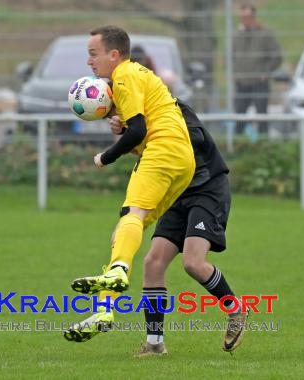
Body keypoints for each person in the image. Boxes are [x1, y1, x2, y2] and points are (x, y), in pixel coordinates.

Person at [63, 25, 196, 343]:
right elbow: (138, 129)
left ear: (114, 54)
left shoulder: (124, 75)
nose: (89, 62)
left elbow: (138, 131)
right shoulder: (136, 76)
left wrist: (105, 157)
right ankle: (104, 309)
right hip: (182, 160)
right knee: (125, 230)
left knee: (131, 218)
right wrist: (122, 126)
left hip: (163, 151)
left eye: (93, 54)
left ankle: (119, 270)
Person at [101, 101, 249, 357]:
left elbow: (195, 138)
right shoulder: (136, 116)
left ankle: (235, 308)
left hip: (207, 187)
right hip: (176, 191)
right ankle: (155, 343)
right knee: (153, 262)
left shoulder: (171, 107)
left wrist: (137, 132)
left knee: (193, 262)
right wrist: (127, 131)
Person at [233, 1, 282, 135]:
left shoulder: (265, 34)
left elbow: (277, 56)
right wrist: (235, 74)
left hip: (259, 84)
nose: (244, 20)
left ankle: (263, 147)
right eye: (242, 17)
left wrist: (266, 71)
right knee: (239, 119)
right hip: (241, 84)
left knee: (262, 118)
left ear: (253, 17)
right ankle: (237, 147)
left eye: (247, 17)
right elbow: (231, 57)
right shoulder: (236, 35)